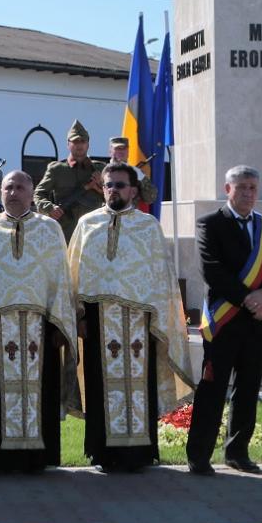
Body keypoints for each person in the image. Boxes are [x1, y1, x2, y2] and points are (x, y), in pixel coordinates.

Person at [69, 162, 186, 472]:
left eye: (120, 185)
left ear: (133, 190)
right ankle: (101, 452)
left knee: (138, 386)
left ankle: (139, 453)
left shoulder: (148, 226)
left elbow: (162, 279)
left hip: (139, 324)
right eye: (108, 185)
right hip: (97, 323)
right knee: (99, 386)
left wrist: (159, 322)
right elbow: (74, 276)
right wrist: (77, 317)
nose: (113, 190)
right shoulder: (86, 224)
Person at [0, 170, 78, 472]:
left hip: (40, 327)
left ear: (32, 194)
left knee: (42, 391)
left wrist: (58, 326)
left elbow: (60, 279)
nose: (13, 193)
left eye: (20, 187)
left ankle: (37, 459)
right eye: (8, 188)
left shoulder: (49, 229)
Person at [188, 165, 262, 473]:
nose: (248, 193)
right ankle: (199, 455)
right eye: (242, 187)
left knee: (248, 389)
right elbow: (211, 269)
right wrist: (249, 299)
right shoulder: (210, 223)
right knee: (212, 389)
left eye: (253, 188)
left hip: (259, 321)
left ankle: (238, 452)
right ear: (227, 189)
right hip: (225, 320)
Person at [33, 120, 104, 239]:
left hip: (93, 231)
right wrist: (50, 208)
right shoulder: (57, 169)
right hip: (64, 232)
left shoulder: (100, 169)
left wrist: (100, 186)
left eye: (83, 141)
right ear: (68, 144)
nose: (79, 145)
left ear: (88, 144)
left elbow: (114, 198)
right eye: (75, 141)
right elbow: (38, 194)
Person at [106, 136, 158, 211]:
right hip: (107, 217)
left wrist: (140, 177)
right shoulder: (101, 170)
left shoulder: (136, 172)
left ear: (128, 151)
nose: (121, 151)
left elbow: (150, 198)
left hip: (131, 217)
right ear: (110, 151)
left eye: (124, 148)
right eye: (117, 148)